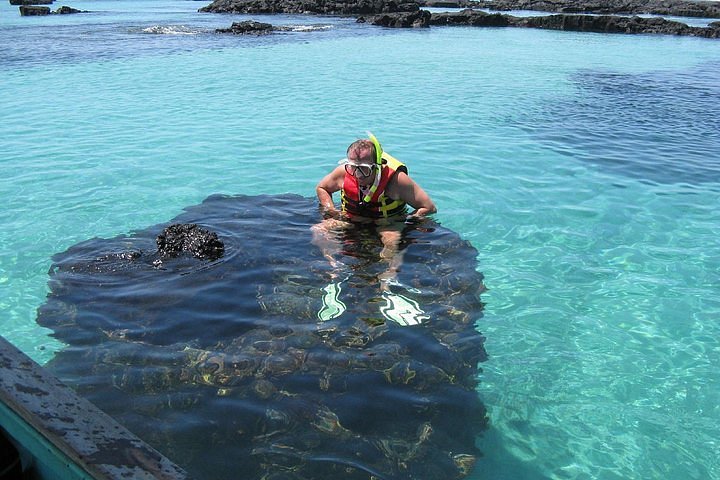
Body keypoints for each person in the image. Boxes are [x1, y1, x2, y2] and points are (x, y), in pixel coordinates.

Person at [312, 133, 436, 325]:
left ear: (377, 166)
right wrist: (331, 211)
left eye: (363, 169)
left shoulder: (397, 180)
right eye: (352, 167)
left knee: (391, 241)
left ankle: (387, 284)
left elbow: (428, 207)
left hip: (386, 222)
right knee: (319, 229)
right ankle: (334, 270)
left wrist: (405, 222)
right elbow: (322, 187)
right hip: (352, 218)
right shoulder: (344, 172)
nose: (356, 175)